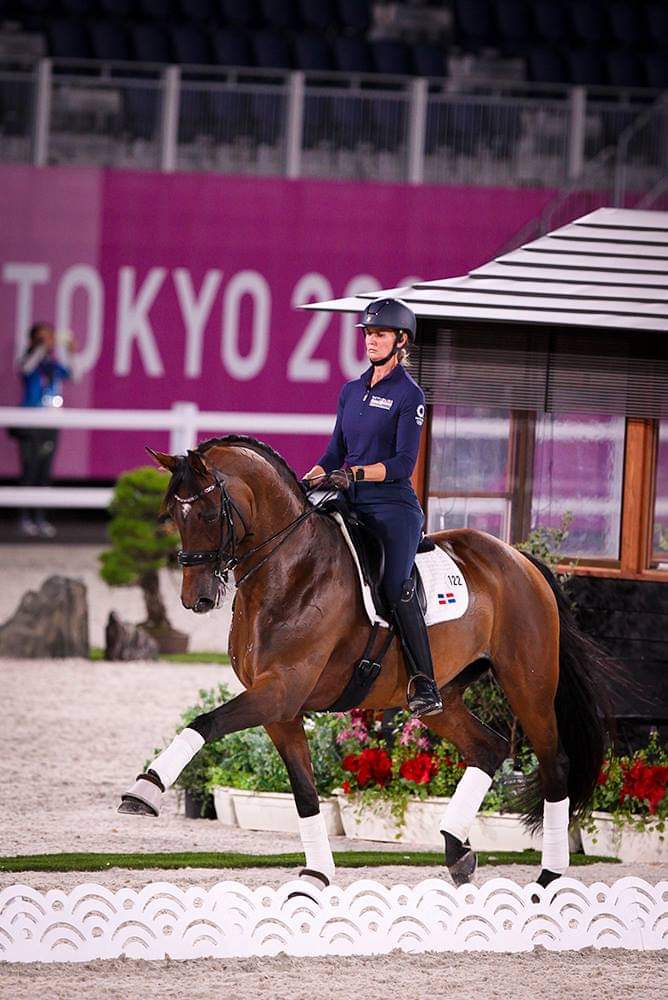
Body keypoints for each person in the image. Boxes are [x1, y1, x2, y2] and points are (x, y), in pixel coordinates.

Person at [302, 298, 443, 717]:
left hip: (392, 506)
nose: (370, 341)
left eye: (379, 334)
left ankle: (425, 682)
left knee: (396, 586)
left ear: (401, 341)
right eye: (367, 334)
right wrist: (306, 478)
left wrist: (357, 475)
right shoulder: (351, 390)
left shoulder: (409, 396)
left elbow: (403, 463)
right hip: (350, 497)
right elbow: (334, 452)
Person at [12, 322, 75, 538]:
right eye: (42, 338)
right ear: (33, 341)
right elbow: (26, 368)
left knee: (43, 472)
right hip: (30, 421)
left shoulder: (52, 365)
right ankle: (24, 518)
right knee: (29, 470)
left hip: (50, 421)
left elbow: (72, 375)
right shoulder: (29, 360)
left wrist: (69, 352)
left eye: (49, 337)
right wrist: (39, 347)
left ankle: (40, 518)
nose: (48, 342)